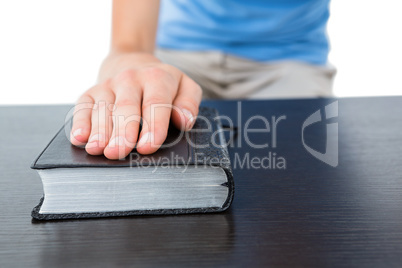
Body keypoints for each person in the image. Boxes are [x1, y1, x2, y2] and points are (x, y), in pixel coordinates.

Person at [70, 0, 335, 160]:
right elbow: (129, 45)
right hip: (179, 58)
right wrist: (132, 66)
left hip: (291, 60)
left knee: (300, 163)